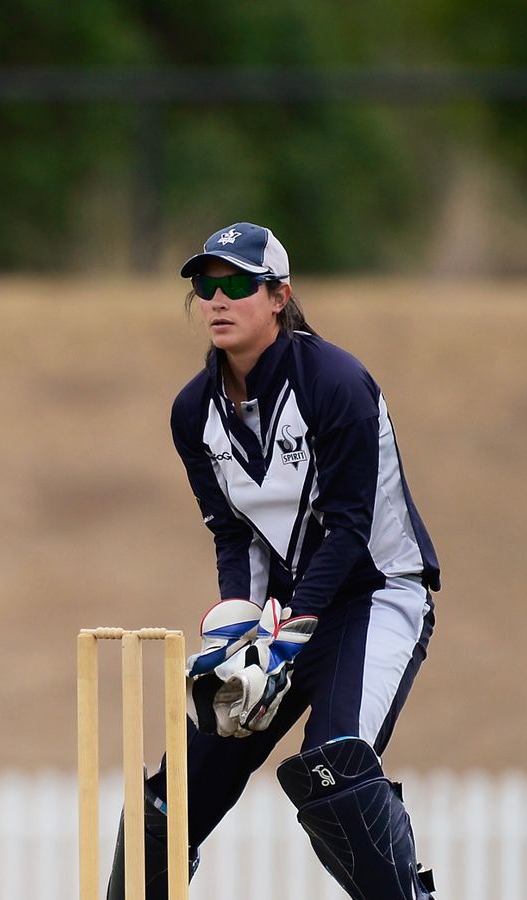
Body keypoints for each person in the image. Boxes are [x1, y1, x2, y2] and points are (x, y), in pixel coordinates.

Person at [107, 223, 441, 899]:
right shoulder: (191, 411)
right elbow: (232, 535)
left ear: (279, 296)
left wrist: (288, 635)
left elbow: (351, 530)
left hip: (374, 597)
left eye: (238, 284)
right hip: (285, 614)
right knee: (168, 804)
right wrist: (241, 634)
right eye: (206, 285)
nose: (218, 300)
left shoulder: (338, 383)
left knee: (332, 772)